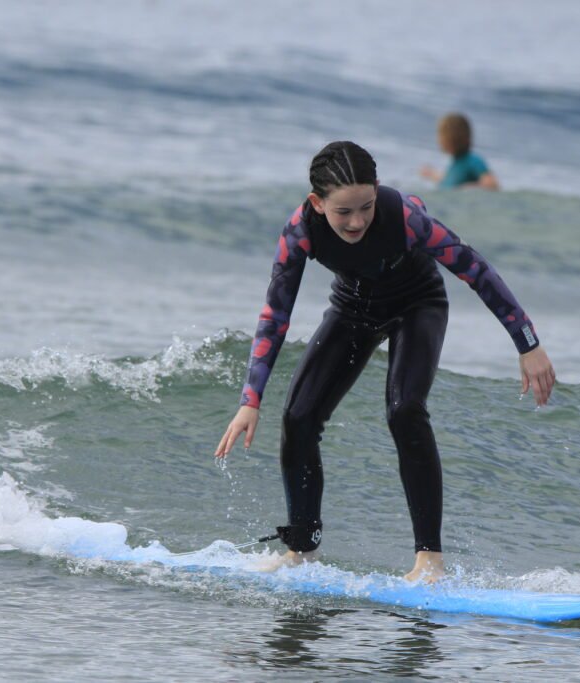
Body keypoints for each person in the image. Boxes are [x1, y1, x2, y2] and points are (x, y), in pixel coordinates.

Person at [215, 141, 553, 583]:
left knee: (405, 411)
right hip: (354, 307)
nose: (356, 221)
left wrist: (527, 344)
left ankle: (429, 561)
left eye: (366, 207)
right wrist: (250, 399)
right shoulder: (299, 231)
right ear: (317, 203)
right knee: (298, 417)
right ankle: (300, 549)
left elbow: (475, 269)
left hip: (418, 304)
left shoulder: (406, 218)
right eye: (343, 212)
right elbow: (275, 315)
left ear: (376, 190)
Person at [420, 113, 500, 190]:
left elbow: (492, 184)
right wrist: (431, 174)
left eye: (441, 135)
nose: (438, 140)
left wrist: (463, 190)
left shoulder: (473, 160)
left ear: (451, 138)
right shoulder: (456, 163)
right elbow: (449, 181)